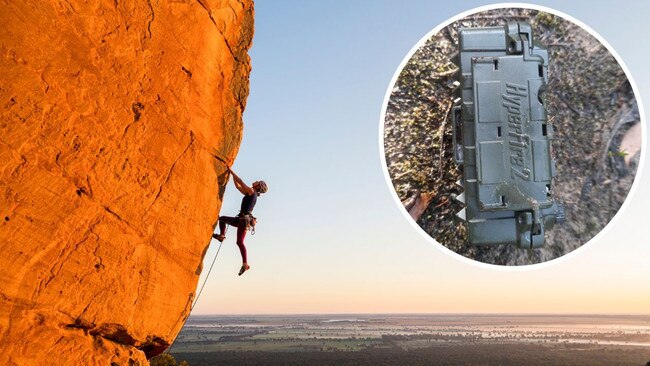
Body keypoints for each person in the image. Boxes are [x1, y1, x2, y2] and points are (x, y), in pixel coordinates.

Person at [213, 168, 268, 276]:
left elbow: (241, 182)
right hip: (241, 219)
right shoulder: (251, 193)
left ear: (258, 186)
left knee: (239, 242)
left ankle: (245, 264)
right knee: (222, 219)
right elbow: (238, 186)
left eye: (258, 182)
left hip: (243, 221)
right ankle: (221, 236)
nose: (256, 181)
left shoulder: (252, 192)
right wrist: (231, 176)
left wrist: (232, 172)